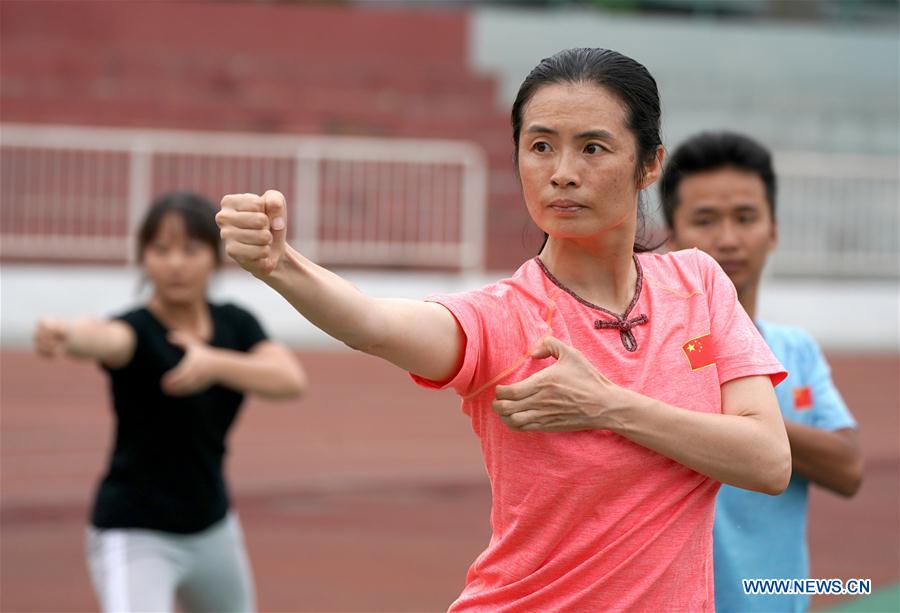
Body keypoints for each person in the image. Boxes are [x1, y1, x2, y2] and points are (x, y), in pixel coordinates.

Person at [217, 48, 791, 611]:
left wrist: (607, 406)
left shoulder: (698, 283)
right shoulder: (505, 316)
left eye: (593, 148)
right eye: (540, 147)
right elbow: (373, 325)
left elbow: (767, 461)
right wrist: (282, 264)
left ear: (650, 164)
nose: (562, 174)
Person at [33, 191, 307, 613]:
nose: (175, 263)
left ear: (214, 258)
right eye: (160, 249)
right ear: (143, 258)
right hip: (135, 532)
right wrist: (67, 334)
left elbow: (289, 379)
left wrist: (213, 362)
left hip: (213, 527)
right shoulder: (135, 330)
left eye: (190, 249)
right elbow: (103, 339)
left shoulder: (235, 323)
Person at [660, 131, 863, 612]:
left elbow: (849, 468)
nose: (728, 239)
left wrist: (752, 426)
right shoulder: (654, 353)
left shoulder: (799, 351)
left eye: (745, 218)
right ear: (673, 237)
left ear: (773, 231)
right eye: (705, 220)